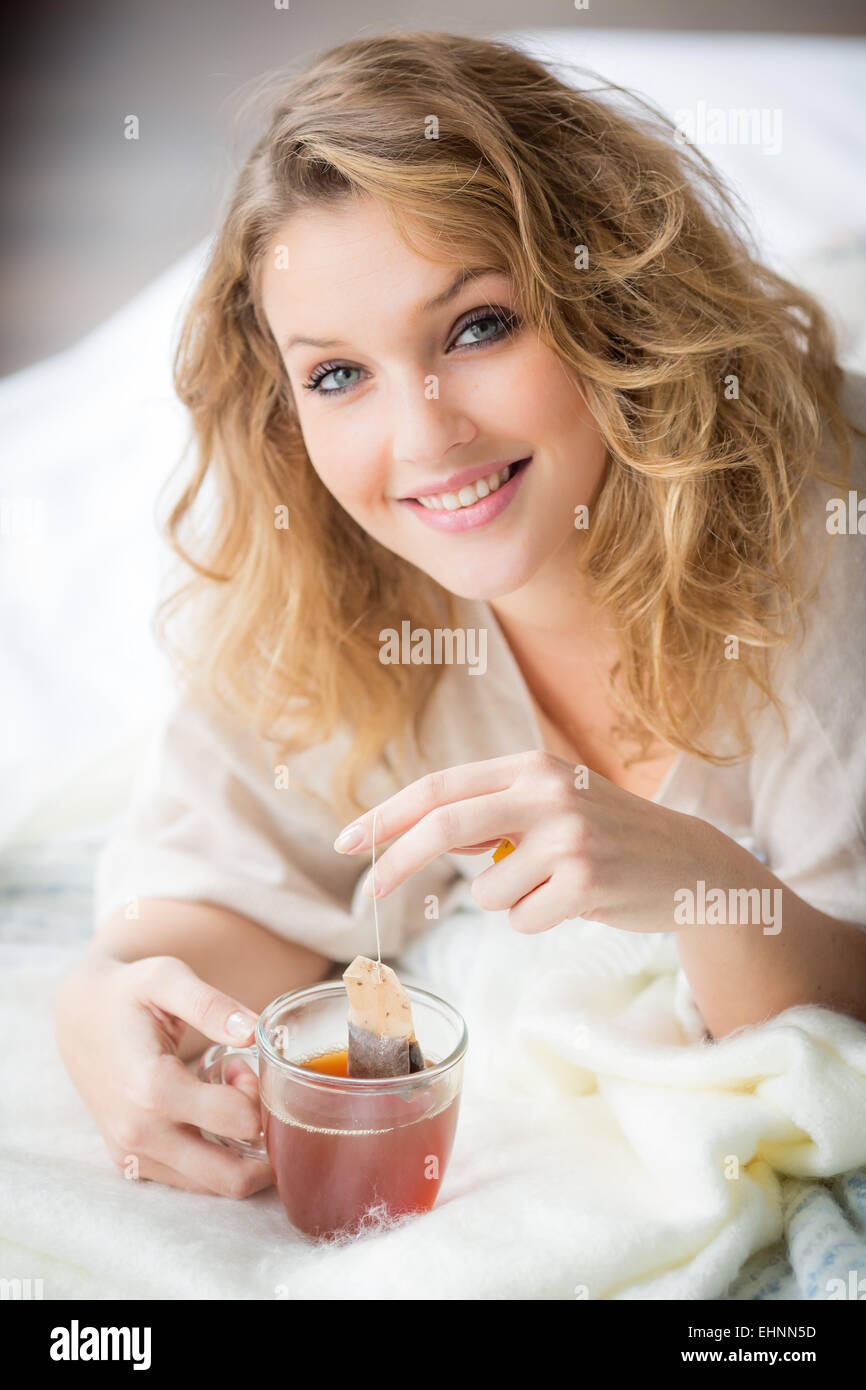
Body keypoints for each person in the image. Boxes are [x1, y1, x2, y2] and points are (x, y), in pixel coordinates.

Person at [55, 31, 866, 1200]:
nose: (425, 437)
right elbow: (229, 882)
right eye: (338, 375)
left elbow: (839, 1007)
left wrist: (698, 881)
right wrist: (105, 999)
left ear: (609, 299)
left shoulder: (813, 526)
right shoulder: (336, 571)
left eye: (477, 326)